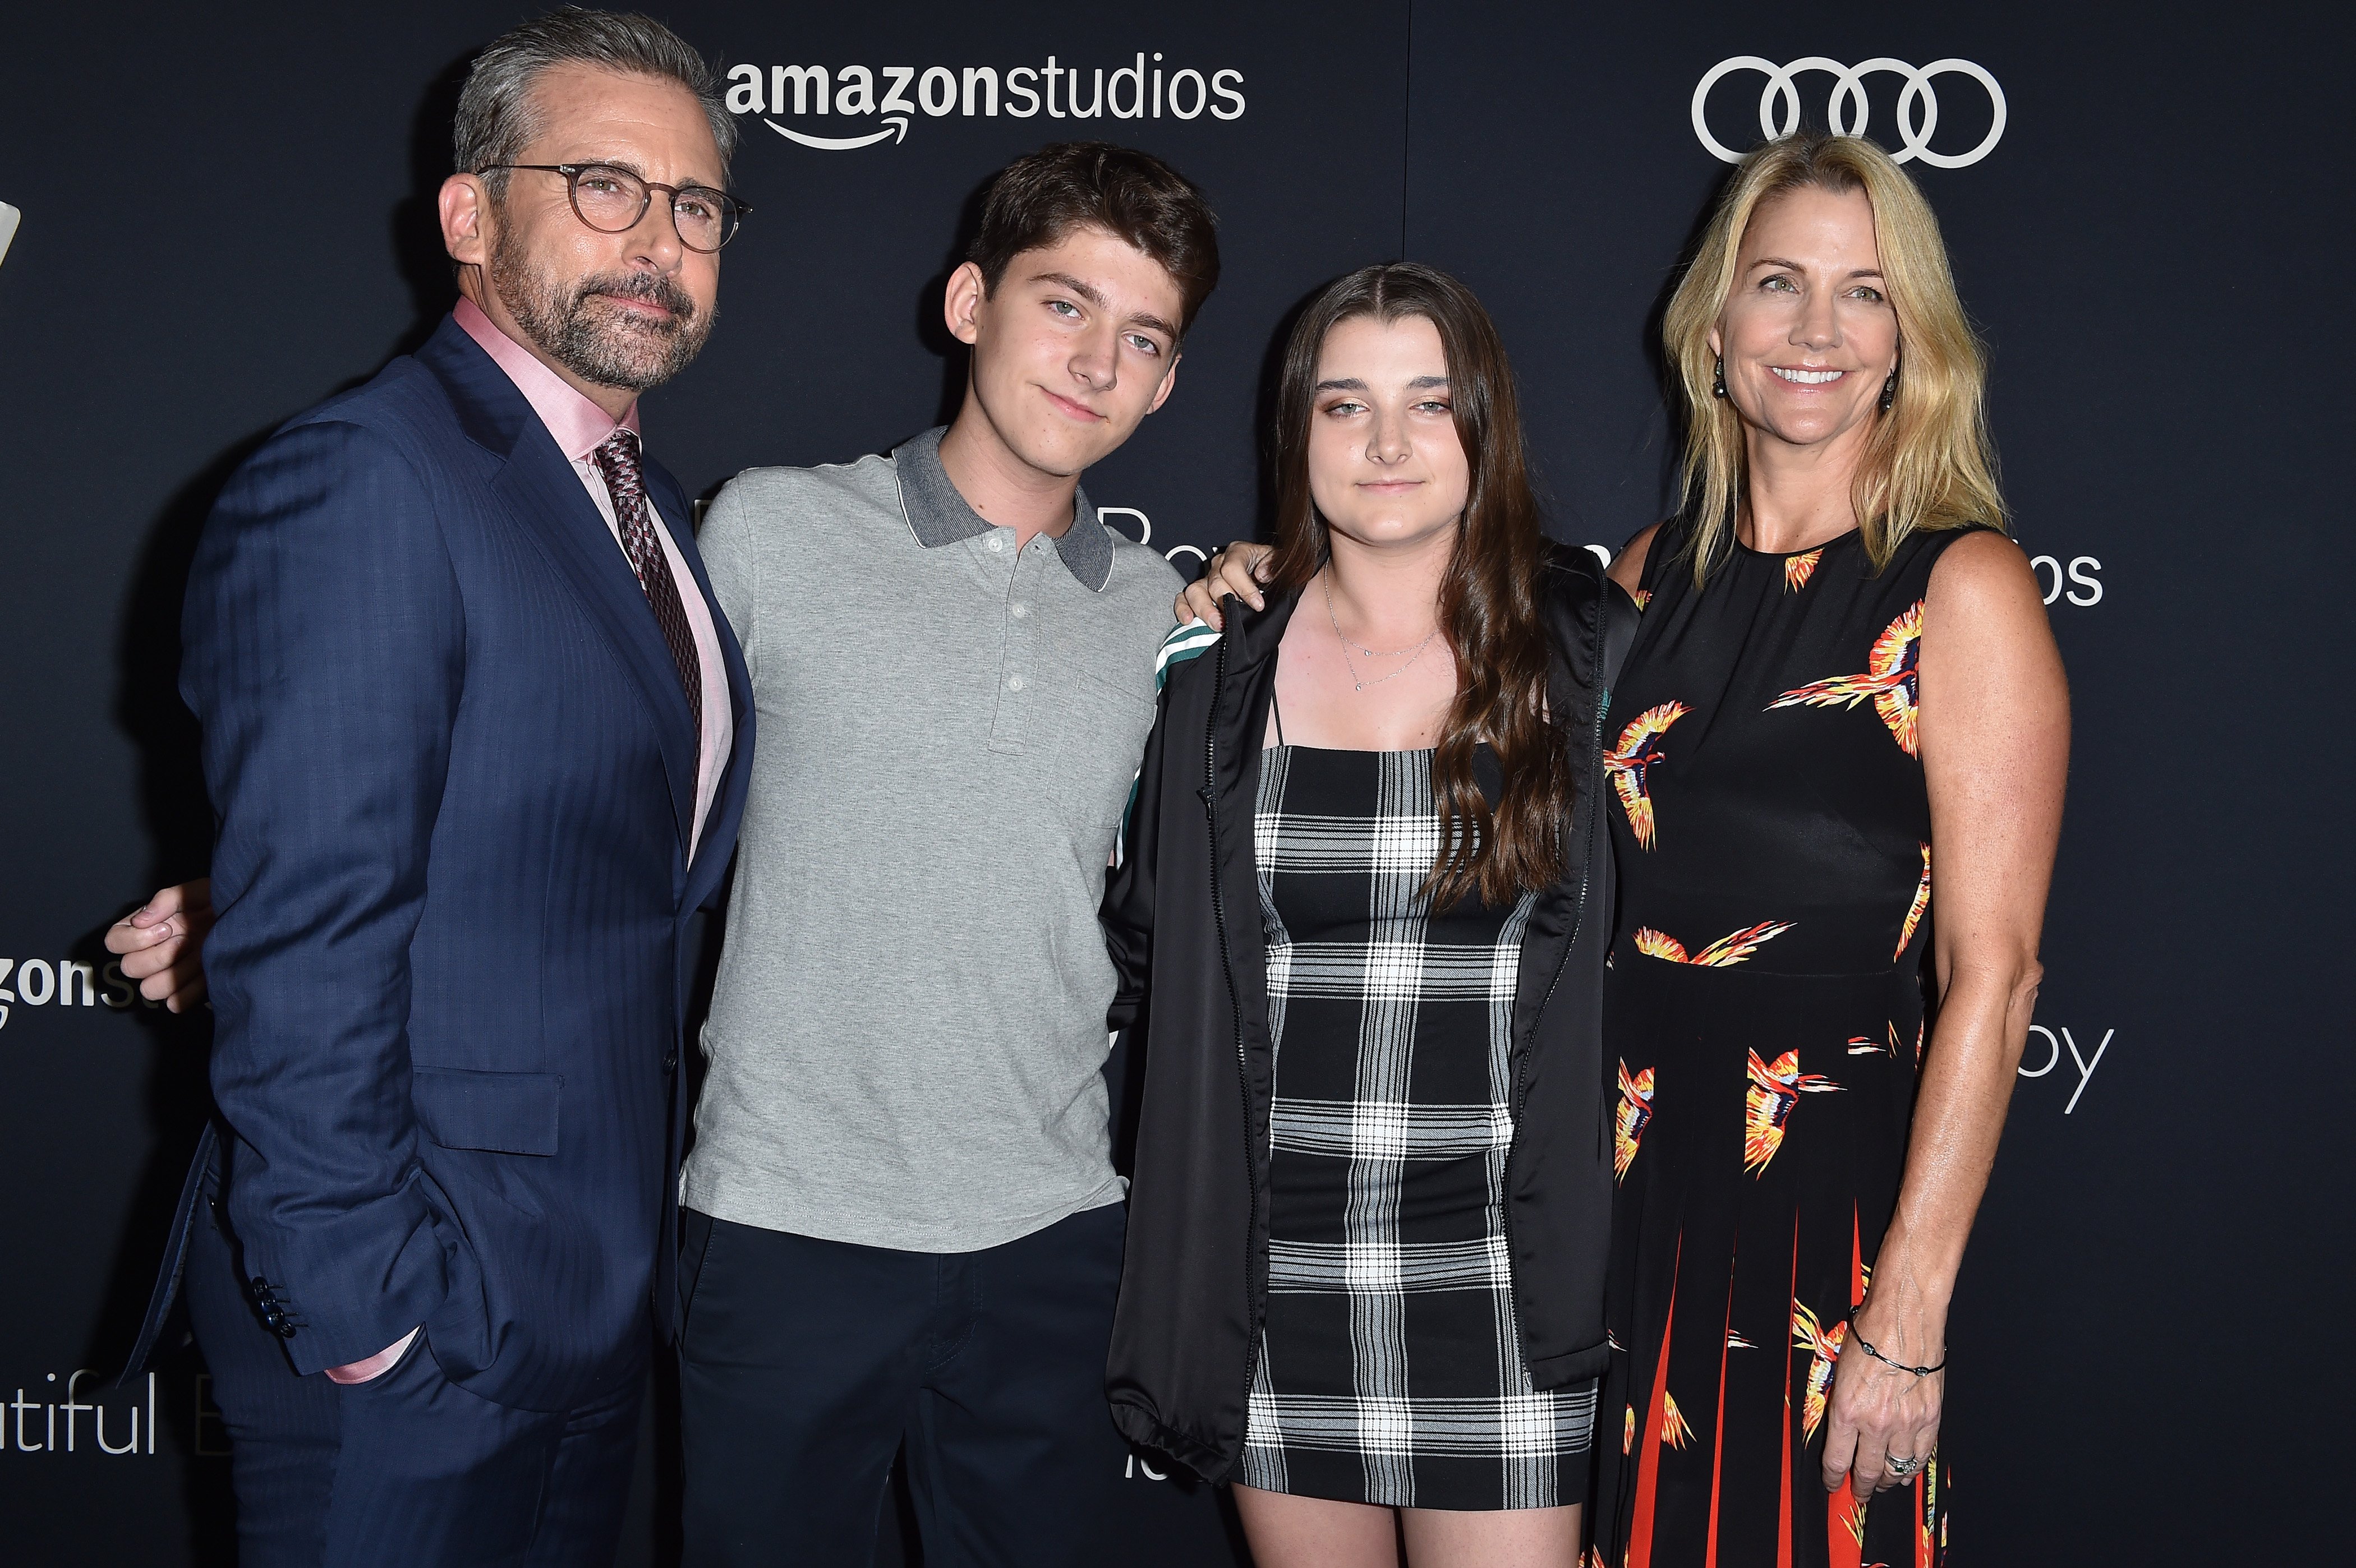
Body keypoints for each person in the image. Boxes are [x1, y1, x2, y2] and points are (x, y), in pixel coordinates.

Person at [122, 139, 1222, 1564]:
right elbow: (564, 756)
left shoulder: (1171, 621)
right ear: (969, 305)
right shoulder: (764, 530)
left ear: (1172, 382)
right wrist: (260, 897)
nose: (1095, 361)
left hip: (1058, 1235)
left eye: (1143, 338)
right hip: (777, 1228)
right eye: (1063, 305)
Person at [111, 11, 754, 1565]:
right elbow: (311, 933)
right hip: (418, 1334)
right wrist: (371, 1321)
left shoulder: (650, 504)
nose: (655, 240)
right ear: (471, 217)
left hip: (585, 1304)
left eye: (693, 204)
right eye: (602, 185)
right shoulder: (366, 477)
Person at [1105, 264, 1637, 1568]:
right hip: (1276, 1281)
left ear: (1484, 429)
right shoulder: (1216, 669)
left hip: (1508, 1281)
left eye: (1429, 403)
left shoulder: (1590, 650)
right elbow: (1148, 950)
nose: (1388, 444)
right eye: (1345, 407)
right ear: (1296, 434)